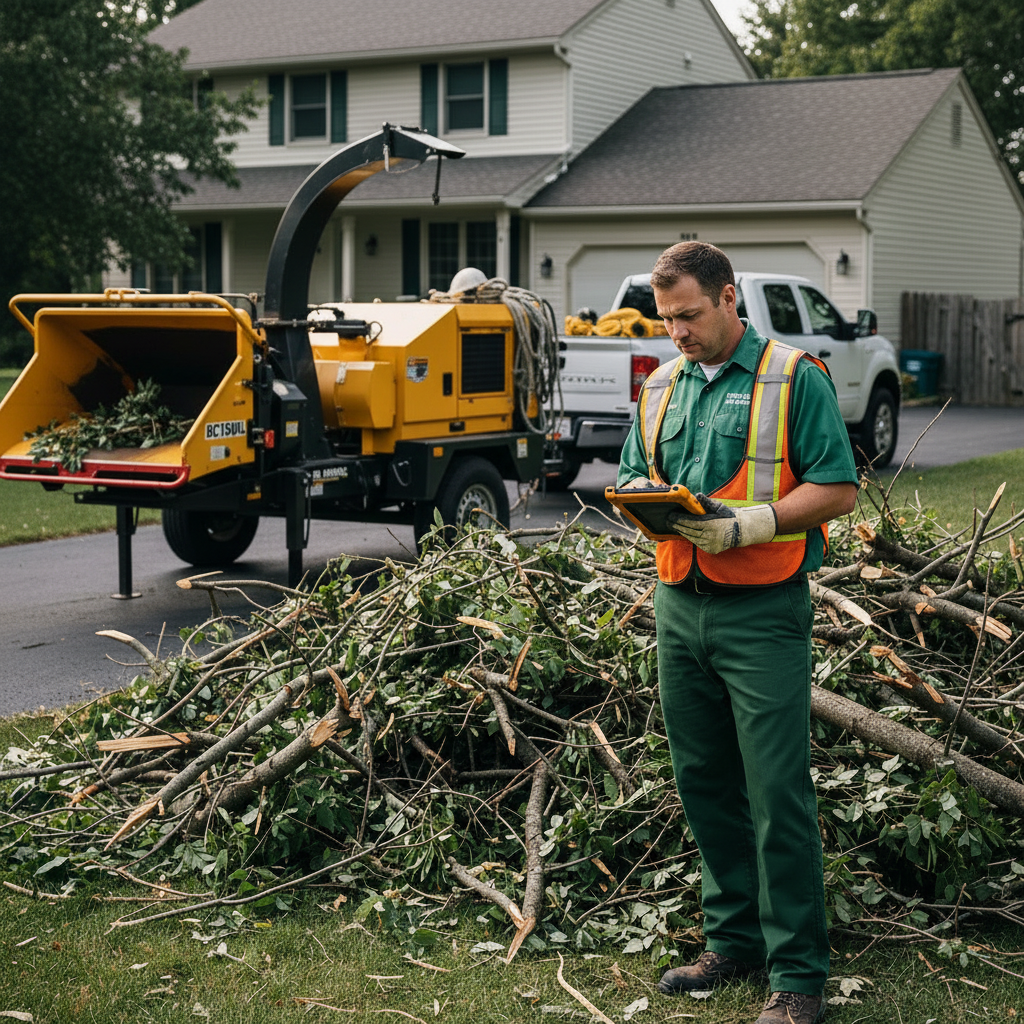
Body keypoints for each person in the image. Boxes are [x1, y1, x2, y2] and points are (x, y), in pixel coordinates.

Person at [616, 242, 858, 1024]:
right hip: (677, 604)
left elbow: (839, 488)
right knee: (706, 782)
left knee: (776, 792)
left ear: (727, 299)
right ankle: (734, 943)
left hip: (762, 612)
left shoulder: (795, 377)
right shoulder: (658, 387)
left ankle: (798, 977)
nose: (676, 332)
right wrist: (647, 503)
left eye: (688, 316)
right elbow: (633, 474)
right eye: (666, 319)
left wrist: (754, 522)